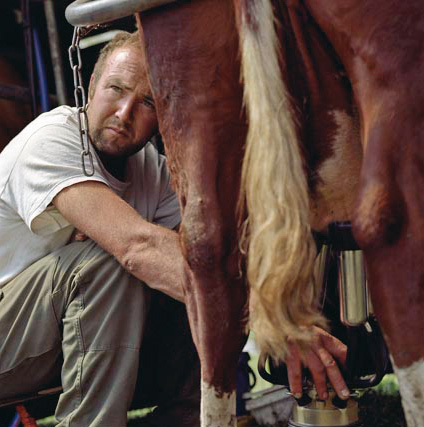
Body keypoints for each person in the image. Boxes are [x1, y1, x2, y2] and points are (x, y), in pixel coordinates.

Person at [0, 30, 199, 427]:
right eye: (116, 89)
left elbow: (183, 256)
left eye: (146, 102)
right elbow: (134, 247)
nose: (124, 114)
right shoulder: (50, 140)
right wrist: (273, 313)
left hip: (55, 340)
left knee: (185, 270)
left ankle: (187, 417)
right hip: (9, 336)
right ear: (91, 85)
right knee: (109, 261)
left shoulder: (152, 171)